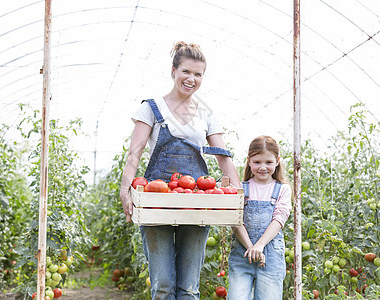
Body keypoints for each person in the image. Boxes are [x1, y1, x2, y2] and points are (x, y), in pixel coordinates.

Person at [119, 41, 240, 299]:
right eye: (186, 71)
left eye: (198, 74)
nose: (191, 79)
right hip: (156, 197)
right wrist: (125, 189)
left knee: (189, 288)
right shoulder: (151, 108)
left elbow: (223, 156)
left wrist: (238, 195)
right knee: (162, 286)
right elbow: (135, 153)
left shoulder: (206, 114)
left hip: (197, 198)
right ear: (173, 70)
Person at [227, 135, 292, 300]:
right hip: (243, 253)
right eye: (257, 162)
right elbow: (236, 221)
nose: (263, 167)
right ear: (249, 161)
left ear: (277, 161)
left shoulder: (282, 189)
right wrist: (252, 248)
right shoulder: (241, 188)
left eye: (268, 162)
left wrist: (260, 245)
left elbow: (279, 219)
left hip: (270, 257)